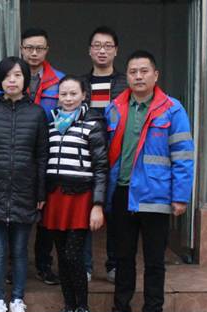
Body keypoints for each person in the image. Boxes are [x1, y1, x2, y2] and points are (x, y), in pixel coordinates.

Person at [105, 50, 194, 312]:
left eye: (144, 71)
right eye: (133, 72)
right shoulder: (115, 107)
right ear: (127, 76)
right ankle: (121, 308)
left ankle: (153, 311)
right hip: (122, 193)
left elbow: (183, 155)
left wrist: (180, 196)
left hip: (156, 196)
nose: (138, 76)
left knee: (155, 259)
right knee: (123, 257)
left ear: (156, 75)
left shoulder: (172, 109)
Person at [0, 56, 48, 312]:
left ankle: (17, 300)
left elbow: (42, 156)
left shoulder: (37, 113)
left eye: (17, 75)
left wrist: (40, 193)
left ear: (25, 79)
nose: (12, 80)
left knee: (19, 251)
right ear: (0, 81)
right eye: (7, 76)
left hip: (25, 192)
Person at [42, 76, 108, 312]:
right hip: (55, 196)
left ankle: (83, 307)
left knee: (73, 254)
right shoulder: (50, 123)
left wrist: (98, 204)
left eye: (73, 94)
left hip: (81, 198)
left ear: (83, 96)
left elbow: (101, 167)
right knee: (61, 255)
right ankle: (68, 306)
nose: (68, 99)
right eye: (63, 94)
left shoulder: (92, 124)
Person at [80, 26, 127, 284]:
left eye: (108, 46)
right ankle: (85, 266)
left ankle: (114, 265)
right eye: (97, 45)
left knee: (117, 214)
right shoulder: (80, 84)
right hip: (86, 157)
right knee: (85, 212)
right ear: (89, 50)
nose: (102, 50)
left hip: (118, 157)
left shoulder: (126, 84)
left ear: (116, 51)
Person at [19, 28, 65, 286]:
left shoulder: (59, 81)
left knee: (46, 213)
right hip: (18, 154)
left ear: (47, 50)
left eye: (39, 48)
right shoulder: (13, 76)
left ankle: (44, 264)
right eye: (29, 48)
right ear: (21, 49)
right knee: (18, 213)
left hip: (50, 154)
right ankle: (16, 266)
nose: (34, 53)